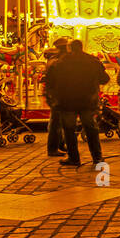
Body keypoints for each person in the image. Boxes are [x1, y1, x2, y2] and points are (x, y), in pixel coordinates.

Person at [45, 39, 109, 170]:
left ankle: (74, 157)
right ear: (82, 47)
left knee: (69, 130)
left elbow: (50, 81)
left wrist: (53, 97)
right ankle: (97, 157)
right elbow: (105, 79)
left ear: (69, 48)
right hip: (87, 100)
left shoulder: (60, 62)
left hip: (67, 101)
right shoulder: (92, 61)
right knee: (91, 128)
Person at [43, 38, 69, 158]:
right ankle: (53, 148)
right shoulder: (58, 61)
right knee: (56, 122)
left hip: (55, 94)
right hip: (58, 94)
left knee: (60, 121)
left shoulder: (54, 60)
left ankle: (60, 144)